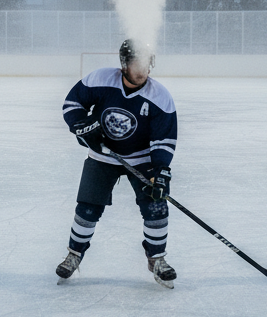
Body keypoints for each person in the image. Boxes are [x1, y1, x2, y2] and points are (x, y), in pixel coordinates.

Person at [57, 39, 178, 287]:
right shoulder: (100, 79)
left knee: (156, 206)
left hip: (142, 159)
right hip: (102, 156)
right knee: (87, 209)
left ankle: (156, 258)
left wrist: (161, 171)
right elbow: (72, 105)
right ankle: (74, 254)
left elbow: (163, 139)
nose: (143, 71)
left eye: (147, 64)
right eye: (137, 65)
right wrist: (82, 127)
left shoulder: (160, 97)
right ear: (124, 65)